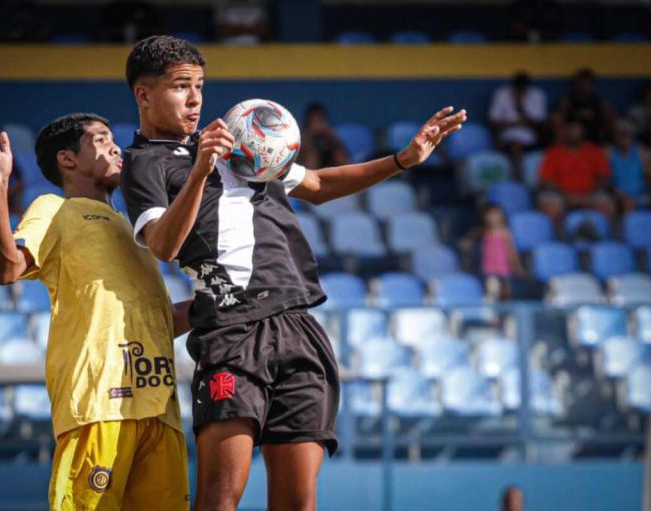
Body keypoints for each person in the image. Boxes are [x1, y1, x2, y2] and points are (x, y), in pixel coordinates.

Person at [120, 35, 466, 511]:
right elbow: (163, 246)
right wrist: (201, 170)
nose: (196, 98)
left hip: (299, 327)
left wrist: (403, 159)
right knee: (221, 499)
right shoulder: (143, 163)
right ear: (144, 94)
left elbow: (319, 185)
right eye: (182, 86)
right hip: (231, 330)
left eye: (200, 85)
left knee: (299, 504)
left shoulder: (241, 142)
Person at [0, 113, 191, 510]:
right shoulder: (54, 209)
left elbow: (157, 323)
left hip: (160, 408)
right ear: (67, 160)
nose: (115, 147)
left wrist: (221, 303)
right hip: (98, 405)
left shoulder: (135, 229)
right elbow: (7, 268)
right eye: (101, 140)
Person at [539, 119, 611, 211]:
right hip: (561, 195)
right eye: (571, 129)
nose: (574, 132)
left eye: (577, 129)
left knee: (606, 205)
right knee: (550, 206)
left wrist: (587, 195)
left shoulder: (595, 151)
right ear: (565, 131)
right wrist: (566, 195)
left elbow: (604, 178)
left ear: (583, 132)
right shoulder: (553, 152)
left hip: (591, 194)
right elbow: (545, 181)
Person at [488, 72, 547, 177]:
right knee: (515, 146)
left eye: (523, 88)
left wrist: (520, 107)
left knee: (518, 146)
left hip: (531, 138)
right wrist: (512, 124)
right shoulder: (502, 94)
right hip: (506, 137)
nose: (520, 90)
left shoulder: (537, 95)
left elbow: (540, 124)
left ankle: (519, 181)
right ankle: (517, 180)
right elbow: (493, 122)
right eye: (518, 87)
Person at [460, 204, 524, 301]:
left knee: (506, 294)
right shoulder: (484, 231)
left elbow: (511, 251)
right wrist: (468, 241)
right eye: (490, 214)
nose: (494, 217)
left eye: (496, 213)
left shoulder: (506, 232)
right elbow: (473, 234)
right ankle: (491, 312)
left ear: (502, 215)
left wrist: (517, 267)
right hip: (489, 268)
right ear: (485, 216)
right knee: (492, 289)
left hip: (503, 268)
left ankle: (505, 313)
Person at [556, 68, 615, 144]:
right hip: (572, 134)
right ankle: (559, 151)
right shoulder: (567, 101)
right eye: (581, 82)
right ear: (576, 84)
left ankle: (609, 150)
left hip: (593, 133)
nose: (583, 86)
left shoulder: (600, 103)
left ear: (592, 85)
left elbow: (608, 120)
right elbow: (559, 118)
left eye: (587, 83)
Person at [608, 119, 650, 211]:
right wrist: (616, 193)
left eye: (626, 134)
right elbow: (608, 180)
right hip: (619, 196)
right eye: (620, 135)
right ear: (616, 136)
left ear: (631, 136)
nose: (624, 138)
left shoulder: (641, 151)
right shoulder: (609, 153)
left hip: (641, 194)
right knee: (625, 203)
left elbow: (649, 176)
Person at [298, 102, 349, 168]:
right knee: (312, 155)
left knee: (338, 153)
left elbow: (345, 162)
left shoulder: (329, 134)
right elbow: (309, 164)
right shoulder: (301, 135)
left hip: (330, 168)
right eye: (313, 121)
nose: (317, 125)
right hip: (309, 171)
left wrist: (331, 138)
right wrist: (310, 135)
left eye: (319, 120)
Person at [627, 82, 651, 149]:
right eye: (648, 94)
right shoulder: (635, 111)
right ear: (644, 95)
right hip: (639, 137)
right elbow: (630, 128)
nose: (650, 97)